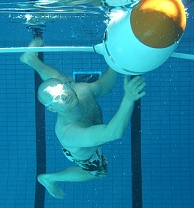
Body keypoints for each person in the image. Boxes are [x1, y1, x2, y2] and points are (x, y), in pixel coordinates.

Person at [20, 38, 146, 199]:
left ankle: (31, 59)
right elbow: (112, 133)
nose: (64, 96)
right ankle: (50, 178)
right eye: (57, 98)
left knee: (60, 78)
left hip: (82, 130)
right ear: (51, 109)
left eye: (64, 89)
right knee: (98, 172)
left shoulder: (80, 89)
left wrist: (115, 59)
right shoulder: (68, 133)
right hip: (80, 151)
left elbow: (104, 87)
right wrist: (128, 99)